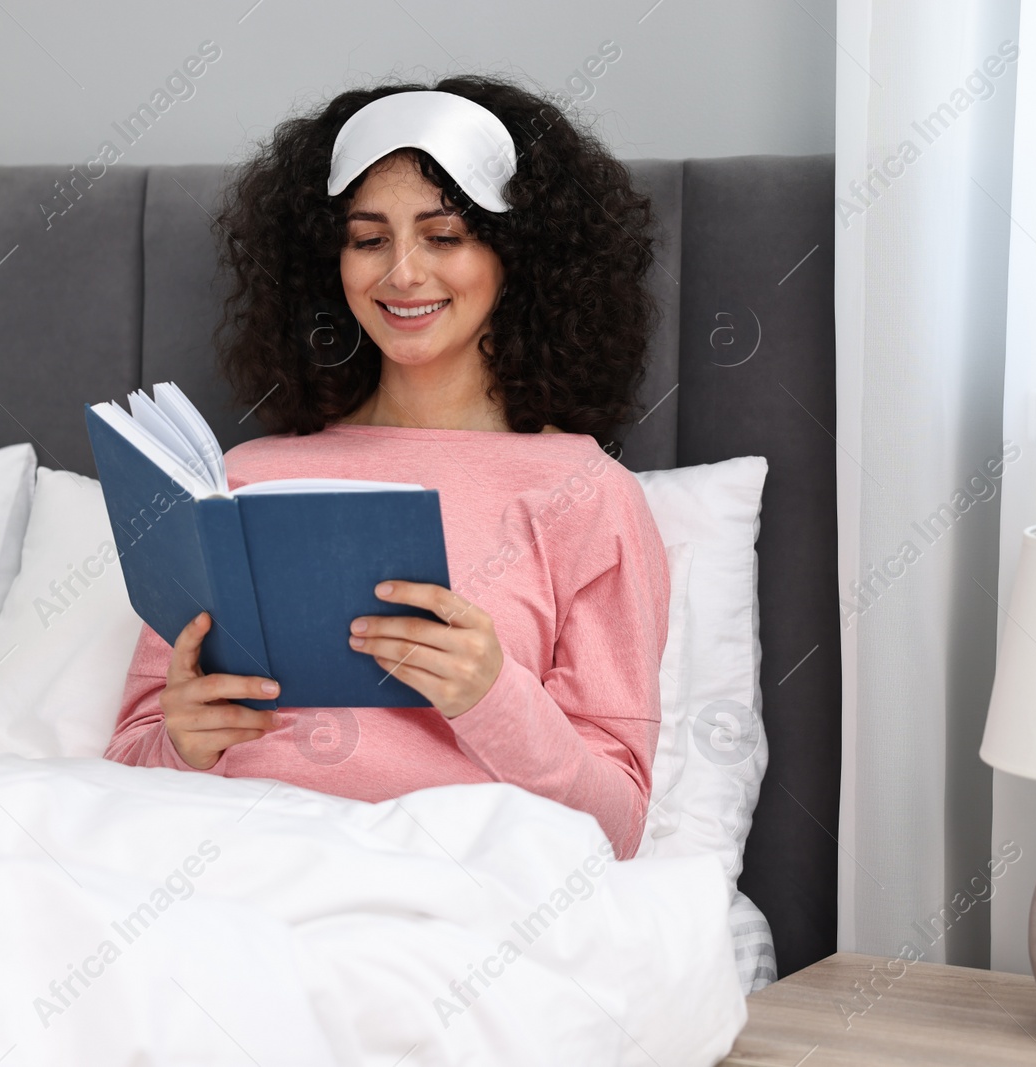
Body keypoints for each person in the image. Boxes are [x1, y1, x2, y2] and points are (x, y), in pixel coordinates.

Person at [104, 75, 669, 860]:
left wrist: (493, 696)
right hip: (225, 871)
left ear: (516, 257)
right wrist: (180, 741)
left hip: (445, 886)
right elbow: (124, 769)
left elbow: (619, 827)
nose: (402, 273)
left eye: (443, 236)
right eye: (369, 239)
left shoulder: (588, 495)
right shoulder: (240, 479)